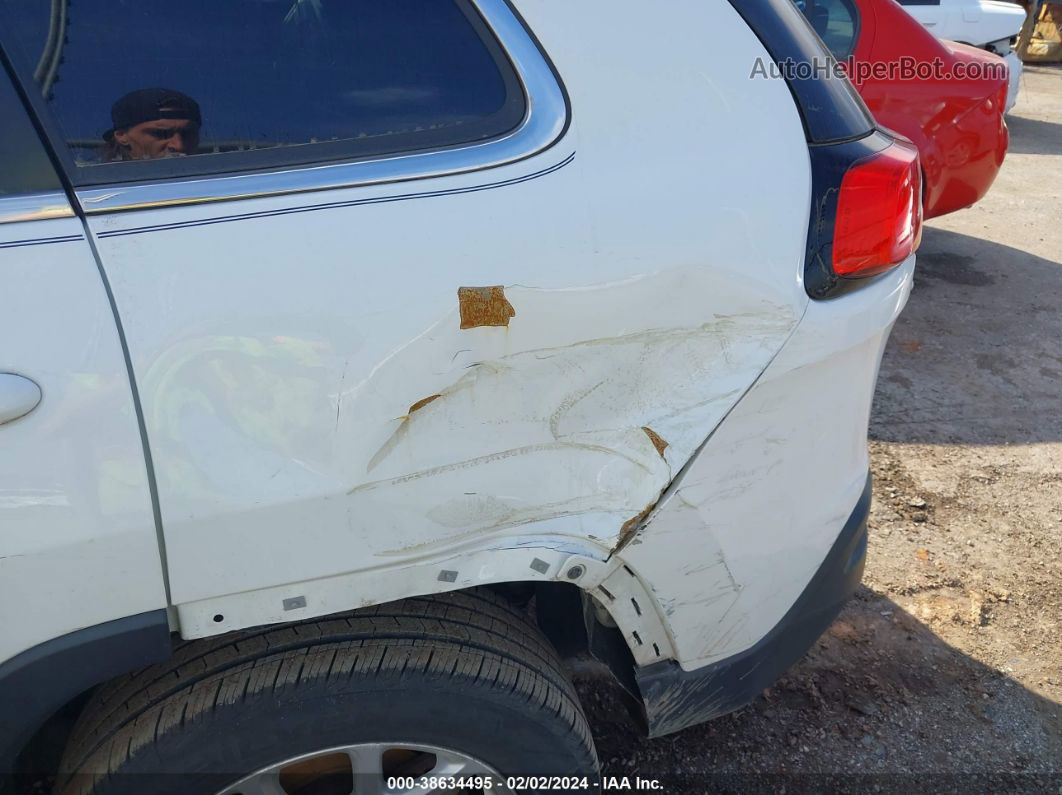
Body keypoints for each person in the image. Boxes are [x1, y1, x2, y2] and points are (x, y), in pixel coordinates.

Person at [102, 88, 201, 161]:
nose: (179, 146)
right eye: (161, 134)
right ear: (122, 136)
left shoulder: (214, 175)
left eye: (188, 134)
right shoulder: (94, 183)